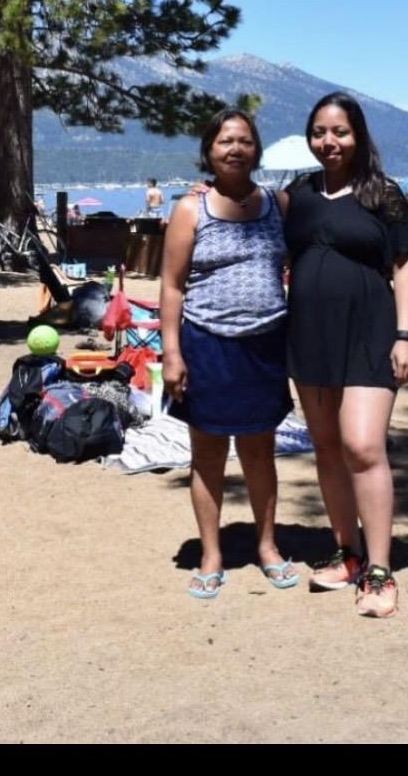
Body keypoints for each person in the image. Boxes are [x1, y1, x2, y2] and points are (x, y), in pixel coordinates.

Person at [284, 92, 408, 618]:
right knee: (326, 449)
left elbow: (405, 264)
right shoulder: (297, 193)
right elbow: (255, 219)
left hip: (370, 332)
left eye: (339, 131)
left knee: (363, 446)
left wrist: (406, 336)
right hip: (308, 334)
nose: (329, 141)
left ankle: (381, 570)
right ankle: (347, 553)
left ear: (358, 135)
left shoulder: (381, 194)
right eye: (319, 131)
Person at [159, 110, 298, 599]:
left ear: (257, 149)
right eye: (225, 141)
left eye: (244, 140)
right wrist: (171, 353)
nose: (234, 148)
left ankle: (267, 547)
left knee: (261, 453)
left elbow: (304, 265)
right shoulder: (190, 209)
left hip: (264, 344)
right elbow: (172, 287)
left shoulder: (278, 205)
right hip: (206, 344)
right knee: (209, 455)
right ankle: (211, 554)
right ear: (209, 150)